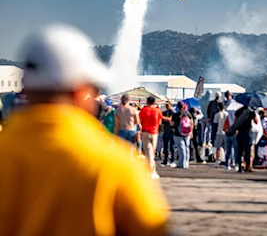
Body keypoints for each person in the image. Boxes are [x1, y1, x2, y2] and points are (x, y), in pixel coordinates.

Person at [0, 23, 170, 236]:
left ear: (26, 87)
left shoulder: (6, 151)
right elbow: (152, 229)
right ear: (81, 91)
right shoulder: (115, 163)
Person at [139, 96, 163, 179]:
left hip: (145, 132)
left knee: (148, 152)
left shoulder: (144, 110)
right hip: (155, 132)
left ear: (147, 102)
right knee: (152, 152)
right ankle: (152, 171)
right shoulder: (158, 111)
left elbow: (140, 120)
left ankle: (150, 171)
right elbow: (160, 122)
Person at [171, 102, 193, 168]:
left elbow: (171, 124)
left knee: (181, 149)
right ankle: (186, 163)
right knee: (187, 148)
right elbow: (191, 123)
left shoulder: (175, 115)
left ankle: (181, 164)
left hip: (178, 134)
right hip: (187, 133)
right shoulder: (188, 114)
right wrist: (191, 131)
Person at [160, 101, 176, 167]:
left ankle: (173, 160)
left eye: (167, 105)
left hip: (172, 131)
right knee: (165, 147)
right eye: (165, 105)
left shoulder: (173, 113)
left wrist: (163, 118)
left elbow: (170, 119)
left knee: (172, 147)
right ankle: (165, 160)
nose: (166, 106)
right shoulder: (164, 112)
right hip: (165, 131)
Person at [214, 102, 228, 166]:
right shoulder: (227, 114)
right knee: (226, 148)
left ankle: (217, 160)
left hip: (219, 132)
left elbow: (215, 123)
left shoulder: (217, 114)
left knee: (218, 147)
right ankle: (226, 160)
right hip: (226, 132)